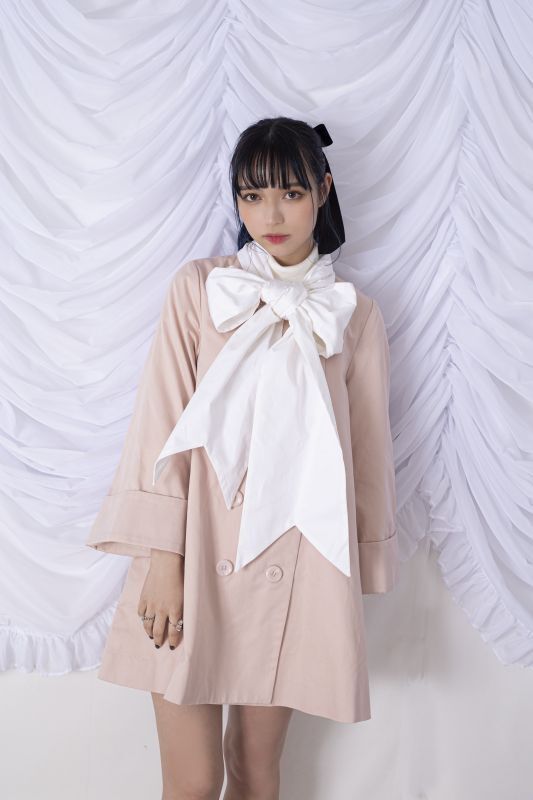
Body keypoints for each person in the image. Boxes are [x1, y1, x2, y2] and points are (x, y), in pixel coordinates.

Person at [86, 116, 399, 800]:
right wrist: (163, 561)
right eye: (251, 196)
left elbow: (367, 453)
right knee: (194, 784)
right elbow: (160, 424)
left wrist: (362, 568)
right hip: (191, 558)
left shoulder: (355, 315)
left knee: (255, 774)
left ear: (323, 189)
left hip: (296, 563)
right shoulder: (200, 288)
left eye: (290, 192)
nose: (270, 215)